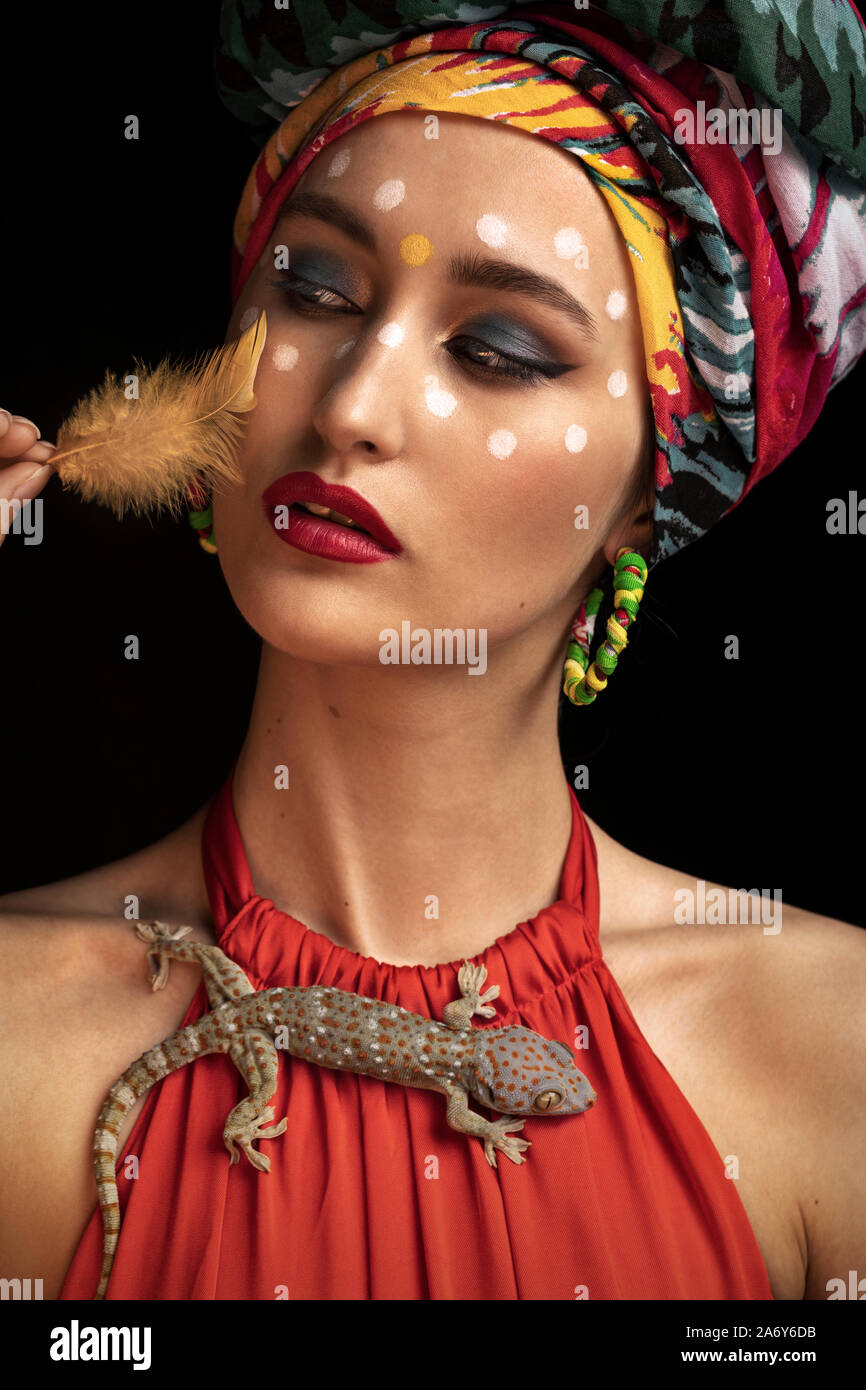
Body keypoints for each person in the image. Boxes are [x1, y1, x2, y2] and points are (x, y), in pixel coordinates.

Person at [1, 1, 865, 1301]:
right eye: (311, 288)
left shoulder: (832, 1051)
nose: (350, 406)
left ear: (654, 479)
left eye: (500, 348)